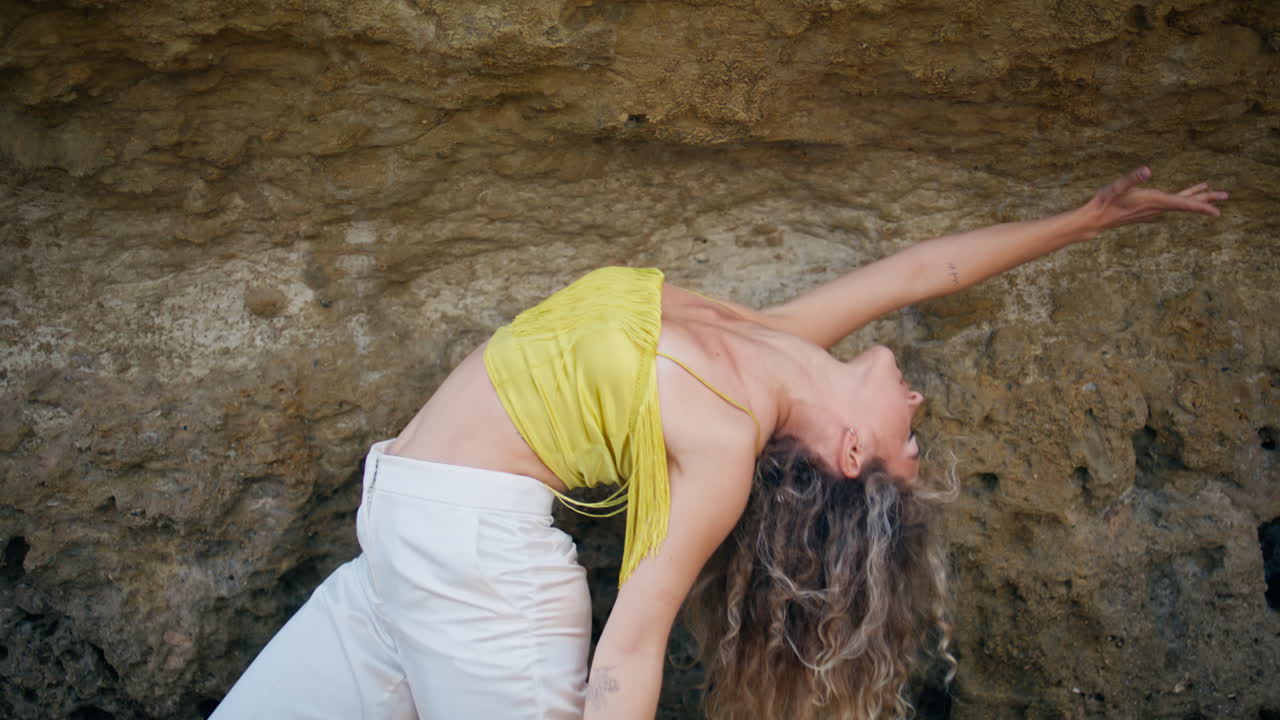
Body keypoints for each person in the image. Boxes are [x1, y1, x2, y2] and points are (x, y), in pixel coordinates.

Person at [211, 168, 1225, 720]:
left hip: (479, 577)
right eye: (921, 441)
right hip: (402, 549)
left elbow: (633, 644)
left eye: (911, 445)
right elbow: (931, 269)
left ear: (846, 455)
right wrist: (1087, 220)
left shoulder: (722, 443)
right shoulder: (771, 347)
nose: (918, 406)